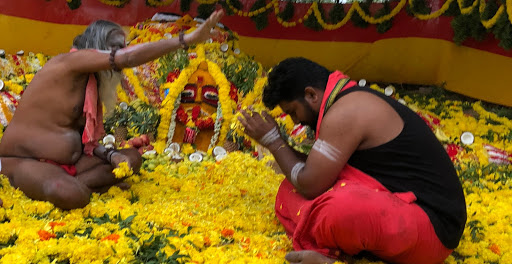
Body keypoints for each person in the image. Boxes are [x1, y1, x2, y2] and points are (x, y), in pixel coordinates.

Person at [239, 57, 467, 264]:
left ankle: (330, 257)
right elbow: (314, 173)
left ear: (311, 95)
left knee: (339, 210)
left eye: (294, 111)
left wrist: (273, 141)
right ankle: (342, 244)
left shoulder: (345, 112)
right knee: (290, 187)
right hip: (398, 209)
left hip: (431, 229)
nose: (296, 121)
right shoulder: (343, 99)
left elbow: (310, 184)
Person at [0, 10, 224, 210]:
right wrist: (187, 39)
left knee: (131, 159)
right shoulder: (71, 62)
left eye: (124, 46)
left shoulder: (91, 83)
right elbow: (128, 59)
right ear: (97, 47)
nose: (124, 52)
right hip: (24, 161)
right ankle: (84, 189)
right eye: (117, 47)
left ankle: (84, 187)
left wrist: (112, 154)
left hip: (71, 163)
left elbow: (86, 142)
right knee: (68, 193)